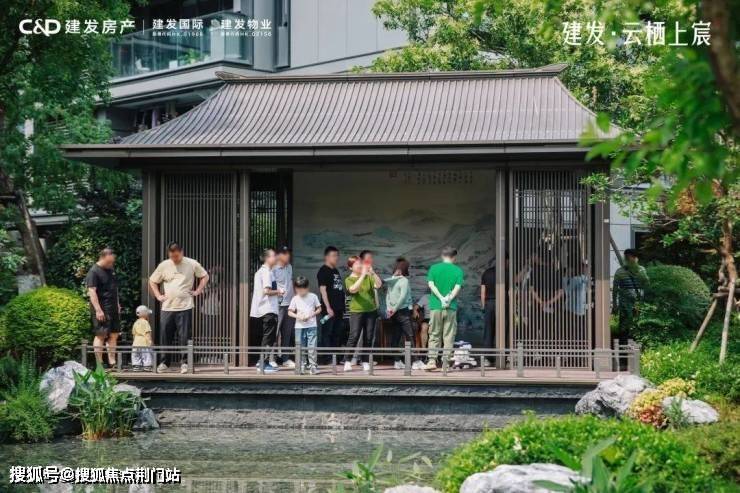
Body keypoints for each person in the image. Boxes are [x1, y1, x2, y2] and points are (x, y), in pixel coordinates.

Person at [149, 242, 209, 374]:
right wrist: (158, 295)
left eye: (176, 256)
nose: (174, 259)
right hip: (167, 307)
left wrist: (198, 291)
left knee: (185, 336)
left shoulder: (192, 263)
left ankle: (185, 363)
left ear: (182, 252)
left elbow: (205, 276)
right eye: (172, 256)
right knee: (165, 335)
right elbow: (152, 280)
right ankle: (164, 363)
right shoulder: (164, 265)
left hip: (185, 306)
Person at [425, 246, 464, 371]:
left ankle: (432, 361)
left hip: (436, 306)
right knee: (449, 335)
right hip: (450, 307)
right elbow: (457, 288)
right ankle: (445, 364)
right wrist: (448, 299)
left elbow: (431, 285)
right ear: (454, 257)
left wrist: (441, 298)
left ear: (442, 256)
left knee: (434, 334)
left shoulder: (434, 268)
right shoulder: (458, 270)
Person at [344, 254, 382, 372]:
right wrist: (363, 275)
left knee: (369, 337)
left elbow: (379, 285)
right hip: (356, 311)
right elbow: (353, 289)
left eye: (360, 263)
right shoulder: (349, 279)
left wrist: (372, 273)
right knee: (354, 336)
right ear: (350, 267)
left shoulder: (368, 277)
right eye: (356, 264)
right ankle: (347, 361)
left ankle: (365, 361)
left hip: (371, 311)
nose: (360, 265)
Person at [86, 248, 121, 369]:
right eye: (109, 262)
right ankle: (99, 363)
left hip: (112, 307)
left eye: (112, 262)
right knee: (101, 334)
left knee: (114, 334)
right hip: (101, 307)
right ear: (102, 257)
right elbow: (92, 291)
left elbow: (114, 288)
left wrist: (117, 303)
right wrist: (98, 310)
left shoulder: (111, 270)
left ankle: (112, 362)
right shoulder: (93, 271)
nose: (111, 264)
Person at [250, 248, 283, 373]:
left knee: (267, 337)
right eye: (274, 256)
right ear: (267, 258)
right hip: (268, 309)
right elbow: (267, 291)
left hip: (263, 310)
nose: (276, 258)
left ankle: (262, 362)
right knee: (268, 338)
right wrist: (279, 291)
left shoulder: (261, 272)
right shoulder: (266, 273)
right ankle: (263, 364)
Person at [384, 258, 417, 370]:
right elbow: (403, 297)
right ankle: (415, 361)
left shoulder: (391, 280)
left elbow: (388, 296)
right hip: (402, 311)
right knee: (410, 335)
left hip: (393, 313)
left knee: (396, 336)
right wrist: (394, 309)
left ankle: (397, 361)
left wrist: (390, 309)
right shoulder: (404, 280)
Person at [612, 249, 649, 349]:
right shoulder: (620, 271)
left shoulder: (641, 270)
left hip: (638, 302)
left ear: (636, 258)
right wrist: (615, 304)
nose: (629, 259)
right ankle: (623, 346)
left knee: (637, 322)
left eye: (631, 257)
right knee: (624, 323)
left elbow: (646, 284)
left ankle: (636, 345)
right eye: (627, 257)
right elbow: (615, 289)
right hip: (625, 302)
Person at [288, 276, 322, 375]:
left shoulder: (313, 296)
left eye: (302, 290)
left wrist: (311, 314)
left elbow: (319, 309)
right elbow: (289, 312)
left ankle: (313, 365)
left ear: (307, 288)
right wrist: (298, 316)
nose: (300, 292)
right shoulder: (295, 298)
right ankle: (301, 365)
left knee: (312, 346)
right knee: (300, 346)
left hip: (312, 325)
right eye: (298, 290)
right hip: (299, 326)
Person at [317, 246, 346, 357]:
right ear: (326, 257)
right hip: (328, 309)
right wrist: (328, 307)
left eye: (337, 255)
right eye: (333, 255)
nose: (336, 258)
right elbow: (323, 290)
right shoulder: (323, 271)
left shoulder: (335, 270)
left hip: (339, 308)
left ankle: (335, 357)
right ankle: (327, 357)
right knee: (327, 333)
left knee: (337, 333)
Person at [273, 246, 296, 368]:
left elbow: (291, 283)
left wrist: (295, 300)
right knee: (275, 332)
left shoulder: (289, 267)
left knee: (287, 333)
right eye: (286, 254)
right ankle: (271, 358)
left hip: (289, 304)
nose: (289, 257)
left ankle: (285, 358)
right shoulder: (273, 269)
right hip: (277, 304)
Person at [480, 263, 496, 366]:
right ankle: (505, 358)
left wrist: (483, 306)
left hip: (489, 304)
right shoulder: (507, 273)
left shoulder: (486, 273)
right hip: (503, 304)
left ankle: (487, 358)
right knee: (504, 331)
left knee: (488, 332)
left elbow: (483, 292)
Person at [131, 305, 154, 372]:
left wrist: (134, 342)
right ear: (145, 314)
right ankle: (147, 366)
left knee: (136, 355)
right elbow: (147, 333)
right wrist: (150, 341)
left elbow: (134, 334)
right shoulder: (145, 322)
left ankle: (136, 366)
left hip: (136, 342)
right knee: (146, 354)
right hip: (144, 342)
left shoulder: (136, 323)